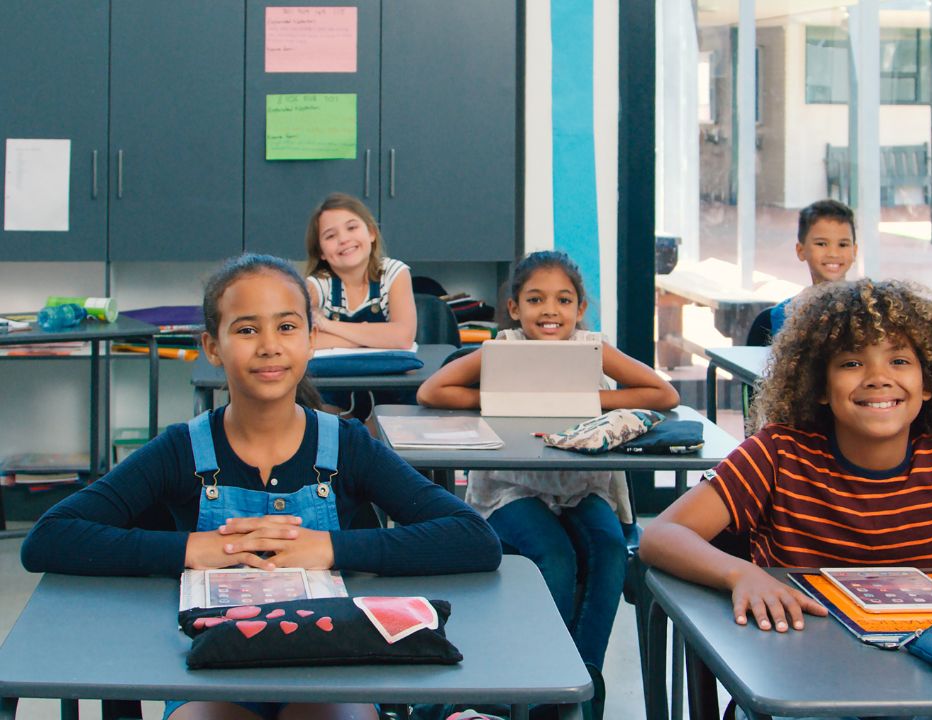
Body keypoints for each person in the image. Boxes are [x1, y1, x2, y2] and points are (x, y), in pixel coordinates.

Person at [22, 253, 501, 720]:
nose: (270, 345)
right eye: (247, 329)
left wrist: (331, 548)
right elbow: (50, 536)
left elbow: (472, 537)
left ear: (312, 339)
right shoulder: (181, 449)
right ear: (212, 347)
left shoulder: (347, 445)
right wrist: (190, 548)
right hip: (213, 670)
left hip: (333, 664)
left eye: (287, 327)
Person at [639, 279, 932, 640]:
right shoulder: (778, 453)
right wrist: (741, 573)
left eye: (900, 361)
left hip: (923, 665)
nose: (878, 378)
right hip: (799, 661)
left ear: (930, 384)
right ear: (820, 387)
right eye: (851, 363)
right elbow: (660, 534)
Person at [418, 250, 679, 687]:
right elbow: (432, 390)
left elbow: (662, 393)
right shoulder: (503, 348)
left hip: (583, 486)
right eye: (536, 300)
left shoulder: (591, 348)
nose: (550, 311)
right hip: (511, 488)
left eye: (563, 300)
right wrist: (505, 399)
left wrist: (582, 401)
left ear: (579, 308)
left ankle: (583, 683)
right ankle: (542, 683)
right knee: (555, 557)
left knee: (611, 549)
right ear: (515, 308)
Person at [303, 192, 418, 419]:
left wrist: (329, 326)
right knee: (324, 420)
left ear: (372, 233)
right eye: (330, 236)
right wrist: (373, 336)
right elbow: (303, 340)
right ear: (321, 253)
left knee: (388, 427)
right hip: (333, 389)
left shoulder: (395, 273)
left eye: (352, 228)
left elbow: (403, 337)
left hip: (390, 390)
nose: (344, 239)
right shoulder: (316, 285)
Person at [746, 199, 857, 346]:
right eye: (821, 244)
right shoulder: (778, 318)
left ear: (854, 251)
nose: (833, 253)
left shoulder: (874, 311)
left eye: (843, 244)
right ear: (801, 251)